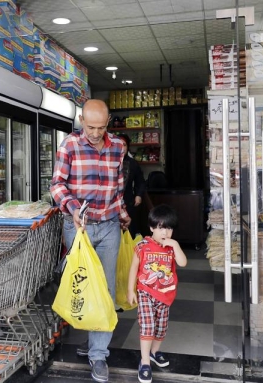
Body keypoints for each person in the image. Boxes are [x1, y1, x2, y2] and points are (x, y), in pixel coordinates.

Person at [50, 98, 130, 383]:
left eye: (100, 127)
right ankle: (89, 337)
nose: (95, 133)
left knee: (106, 290)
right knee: (81, 286)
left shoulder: (118, 146)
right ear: (81, 120)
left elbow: (118, 186)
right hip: (78, 227)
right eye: (90, 126)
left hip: (108, 226)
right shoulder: (69, 145)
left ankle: (98, 354)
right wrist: (72, 209)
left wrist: (122, 213)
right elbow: (57, 185)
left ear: (107, 123)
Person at [127, 204, 187, 383]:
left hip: (166, 295)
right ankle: (145, 362)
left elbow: (183, 263)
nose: (165, 233)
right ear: (152, 228)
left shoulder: (171, 247)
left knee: (161, 329)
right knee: (147, 326)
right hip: (145, 292)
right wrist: (131, 290)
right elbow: (133, 268)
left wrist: (175, 245)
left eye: (169, 228)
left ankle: (154, 353)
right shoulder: (142, 246)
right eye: (161, 227)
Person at [117, 133, 146, 237]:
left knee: (128, 233)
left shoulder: (133, 163)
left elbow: (141, 182)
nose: (121, 148)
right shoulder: (109, 162)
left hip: (128, 203)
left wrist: (138, 195)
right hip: (111, 205)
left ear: (128, 147)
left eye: (124, 145)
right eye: (118, 144)